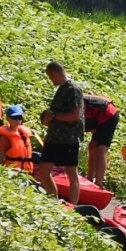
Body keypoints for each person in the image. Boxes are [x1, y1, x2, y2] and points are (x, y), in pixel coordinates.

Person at [37, 61, 84, 204]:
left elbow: (76, 115)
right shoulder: (61, 88)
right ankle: (54, 201)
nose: (51, 81)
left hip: (69, 140)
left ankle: (73, 206)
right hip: (54, 138)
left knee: (72, 174)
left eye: (50, 77)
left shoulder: (73, 89)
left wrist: (54, 116)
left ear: (54, 73)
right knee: (44, 172)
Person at [82, 90, 120, 185]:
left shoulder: (69, 110)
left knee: (101, 149)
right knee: (92, 146)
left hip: (108, 115)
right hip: (97, 115)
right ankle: (89, 178)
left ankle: (98, 183)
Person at [0, 105, 35, 174]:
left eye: (19, 117)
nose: (17, 120)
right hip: (12, 174)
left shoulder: (23, 134)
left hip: (27, 173)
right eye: (14, 117)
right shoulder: (4, 137)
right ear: (7, 119)